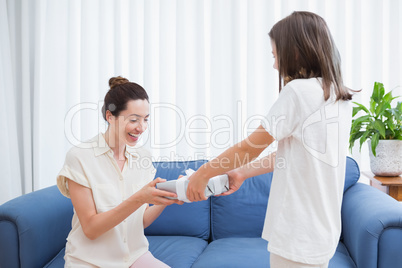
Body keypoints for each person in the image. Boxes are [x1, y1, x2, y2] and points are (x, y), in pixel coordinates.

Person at [186, 11, 354, 268]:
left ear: (295, 52)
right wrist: (241, 172)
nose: (275, 65)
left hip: (297, 233)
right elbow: (292, 155)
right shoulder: (337, 96)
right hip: (322, 231)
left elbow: (250, 146)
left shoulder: (298, 92)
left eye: (275, 56)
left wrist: (202, 174)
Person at [57, 76, 183, 268]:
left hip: (133, 256)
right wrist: (140, 198)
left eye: (145, 120)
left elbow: (140, 220)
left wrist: (170, 197)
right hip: (90, 261)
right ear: (110, 116)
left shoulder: (143, 157)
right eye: (134, 120)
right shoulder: (80, 157)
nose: (141, 128)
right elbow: (91, 229)